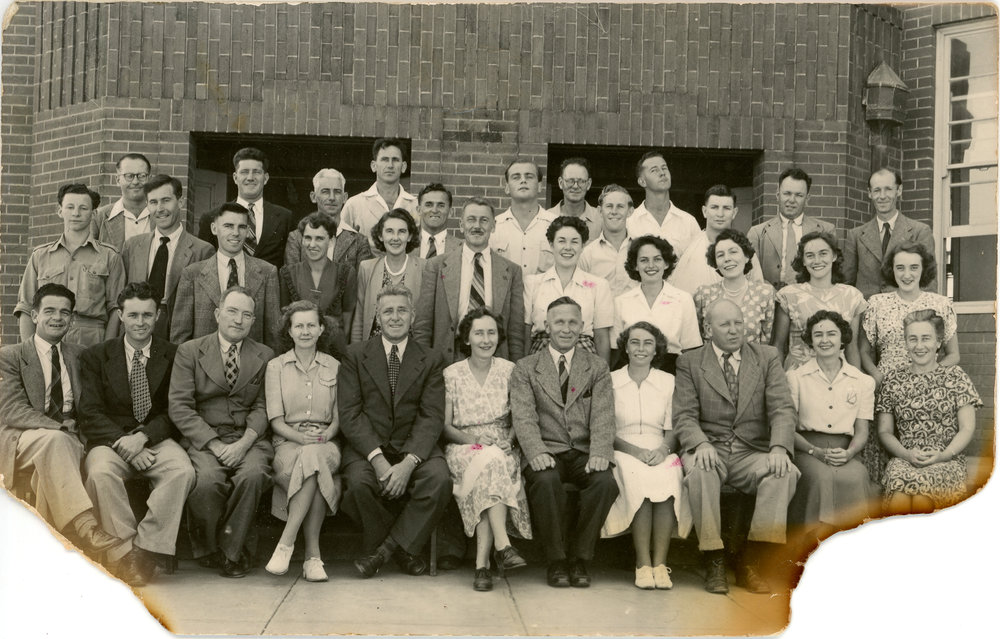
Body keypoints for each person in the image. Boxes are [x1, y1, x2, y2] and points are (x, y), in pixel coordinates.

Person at [673, 299, 798, 595]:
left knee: (784, 473)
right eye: (725, 324)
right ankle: (714, 557)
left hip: (751, 451)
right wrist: (700, 443)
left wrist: (779, 448)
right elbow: (684, 415)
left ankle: (749, 561)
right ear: (708, 329)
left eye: (738, 323)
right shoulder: (690, 361)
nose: (733, 330)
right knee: (701, 472)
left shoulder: (766, 357)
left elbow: (783, 409)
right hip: (710, 448)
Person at [0, 284, 129, 564]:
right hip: (24, 440)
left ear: (72, 319)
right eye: (49, 311)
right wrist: (58, 428)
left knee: (46, 472)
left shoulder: (81, 355)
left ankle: (52, 559)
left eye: (64, 312)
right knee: (56, 442)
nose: (57, 318)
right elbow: (10, 409)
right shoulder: (10, 356)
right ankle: (86, 526)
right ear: (34, 315)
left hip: (70, 442)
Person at [78, 282, 195, 587]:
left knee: (181, 470)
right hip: (110, 440)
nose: (140, 322)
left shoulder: (174, 354)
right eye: (133, 315)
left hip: (154, 438)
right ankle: (123, 550)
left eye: (147, 315)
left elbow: (176, 410)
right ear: (120, 315)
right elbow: (89, 412)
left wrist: (143, 437)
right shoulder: (95, 356)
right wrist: (125, 442)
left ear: (158, 316)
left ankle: (146, 550)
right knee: (100, 473)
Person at [338, 285, 453, 578]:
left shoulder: (430, 358)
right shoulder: (354, 355)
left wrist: (408, 463)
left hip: (413, 446)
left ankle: (384, 551)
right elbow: (350, 414)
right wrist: (378, 460)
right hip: (368, 447)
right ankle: (405, 548)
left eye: (402, 310)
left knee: (438, 480)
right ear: (377, 316)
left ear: (413, 315)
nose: (395, 317)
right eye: (388, 311)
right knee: (359, 484)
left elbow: (432, 416)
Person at [510, 297, 619, 589]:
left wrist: (599, 452)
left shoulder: (596, 367)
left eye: (573, 322)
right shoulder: (525, 367)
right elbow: (523, 417)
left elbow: (604, 415)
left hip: (583, 452)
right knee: (545, 481)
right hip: (546, 450)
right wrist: (535, 451)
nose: (566, 329)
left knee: (605, 482)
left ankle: (581, 558)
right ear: (547, 326)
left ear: (582, 327)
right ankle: (556, 560)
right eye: (559, 322)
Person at [168, 286, 275, 578]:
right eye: (232, 311)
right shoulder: (190, 351)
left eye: (246, 315)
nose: (238, 320)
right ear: (217, 314)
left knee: (252, 476)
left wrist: (245, 442)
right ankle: (209, 548)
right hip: (204, 438)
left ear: (253, 321)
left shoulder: (264, 355)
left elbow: (265, 405)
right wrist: (214, 445)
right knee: (206, 482)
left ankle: (232, 552)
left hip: (248, 438)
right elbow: (180, 407)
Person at [442, 308, 532, 592]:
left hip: (502, 447)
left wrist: (511, 439)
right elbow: (446, 427)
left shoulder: (510, 370)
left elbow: (520, 417)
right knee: (489, 463)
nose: (485, 339)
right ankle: (503, 545)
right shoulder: (451, 374)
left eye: (491, 332)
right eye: (478, 333)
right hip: (464, 447)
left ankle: (482, 567)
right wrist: (473, 439)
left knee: (491, 469)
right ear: (466, 339)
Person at [859, 243, 960, 485]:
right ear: (891, 270)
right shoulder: (877, 303)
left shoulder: (941, 304)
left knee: (922, 463)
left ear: (923, 270)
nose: (907, 274)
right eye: (900, 267)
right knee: (883, 461)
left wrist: (929, 382)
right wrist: (878, 378)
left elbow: (953, 354)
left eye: (914, 267)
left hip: (926, 392)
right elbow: (864, 351)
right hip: (886, 389)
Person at [601, 322, 691, 591]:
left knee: (668, 475)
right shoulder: (611, 380)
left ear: (657, 349)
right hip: (622, 448)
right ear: (626, 348)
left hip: (660, 446)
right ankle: (642, 564)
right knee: (637, 477)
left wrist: (663, 450)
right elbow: (605, 428)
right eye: (635, 342)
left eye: (647, 343)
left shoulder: (668, 381)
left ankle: (660, 565)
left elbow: (673, 428)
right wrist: (635, 452)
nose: (641, 348)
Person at [263, 301, 342, 583]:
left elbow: (337, 419)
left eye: (311, 325)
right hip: (287, 443)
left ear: (321, 329)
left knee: (314, 455)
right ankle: (313, 557)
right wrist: (301, 437)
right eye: (299, 326)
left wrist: (324, 435)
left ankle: (286, 542)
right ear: (290, 330)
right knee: (313, 462)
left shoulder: (334, 366)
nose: (305, 331)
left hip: (325, 442)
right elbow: (276, 421)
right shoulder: (276, 367)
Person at [877, 310, 981, 514]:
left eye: (926, 338)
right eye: (912, 339)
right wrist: (905, 454)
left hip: (947, 459)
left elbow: (967, 428)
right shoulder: (893, 380)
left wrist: (944, 455)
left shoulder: (955, 376)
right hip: (905, 458)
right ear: (905, 343)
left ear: (938, 342)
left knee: (922, 499)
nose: (919, 346)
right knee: (898, 495)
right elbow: (884, 431)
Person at [786, 310, 875, 546]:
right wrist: (815, 451)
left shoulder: (862, 381)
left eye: (831, 334)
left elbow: (862, 431)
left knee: (857, 475)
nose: (825, 340)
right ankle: (810, 548)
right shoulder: (795, 377)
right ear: (810, 340)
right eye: (818, 335)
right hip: (806, 449)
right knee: (820, 477)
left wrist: (849, 453)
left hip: (843, 451)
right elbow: (788, 428)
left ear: (843, 338)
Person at [414, 197, 525, 363]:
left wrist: (516, 370)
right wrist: (423, 366)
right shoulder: (436, 266)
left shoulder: (512, 271)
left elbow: (515, 332)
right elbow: (423, 326)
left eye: (484, 220)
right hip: (448, 358)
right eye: (471, 220)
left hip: (495, 361)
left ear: (493, 225)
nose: (477, 226)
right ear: (461, 224)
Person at [17, 183, 126, 346]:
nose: (76, 213)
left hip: (91, 340)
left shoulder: (110, 256)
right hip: (47, 336)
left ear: (94, 213)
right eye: (70, 207)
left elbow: (115, 309)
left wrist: (106, 350)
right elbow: (26, 308)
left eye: (83, 208)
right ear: (60, 211)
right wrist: (31, 350)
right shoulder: (40, 256)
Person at [171, 202, 281, 351]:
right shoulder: (192, 274)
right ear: (214, 229)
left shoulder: (267, 272)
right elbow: (180, 337)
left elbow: (273, 334)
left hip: (250, 367)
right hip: (204, 366)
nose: (235, 233)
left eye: (241, 227)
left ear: (248, 231)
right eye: (228, 226)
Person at [120, 174, 214, 339]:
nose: (160, 208)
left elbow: (203, 308)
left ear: (180, 202)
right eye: (153, 202)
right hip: (138, 330)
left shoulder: (202, 250)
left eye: (166, 200)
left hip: (178, 335)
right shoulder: (132, 246)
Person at [523, 216, 613, 362]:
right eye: (561, 241)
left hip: (584, 356)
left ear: (583, 245)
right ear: (551, 244)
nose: (568, 247)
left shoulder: (598, 285)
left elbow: (602, 338)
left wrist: (603, 377)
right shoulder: (532, 283)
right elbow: (525, 333)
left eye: (575, 242)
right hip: (541, 354)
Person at [773, 231, 866, 370]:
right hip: (798, 374)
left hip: (837, 375)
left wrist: (856, 384)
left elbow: (852, 349)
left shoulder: (852, 296)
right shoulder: (789, 295)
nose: (817, 261)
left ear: (834, 256)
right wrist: (776, 384)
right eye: (810, 255)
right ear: (803, 260)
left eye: (823, 253)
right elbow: (778, 346)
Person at [613, 235, 702, 373]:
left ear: (666, 263)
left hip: (673, 371)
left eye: (657, 259)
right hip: (632, 372)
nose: (651, 265)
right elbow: (617, 350)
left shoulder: (683, 299)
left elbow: (691, 349)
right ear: (635, 265)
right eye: (644, 260)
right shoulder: (621, 302)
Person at [843, 168, 936, 298]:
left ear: (899, 190)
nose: (882, 196)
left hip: (906, 312)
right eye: (877, 190)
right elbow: (847, 285)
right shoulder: (856, 236)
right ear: (869, 193)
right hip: (867, 312)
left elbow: (928, 283)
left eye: (888, 189)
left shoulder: (920, 231)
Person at [197, 147, 294, 269]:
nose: (250, 177)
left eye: (256, 172)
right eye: (244, 172)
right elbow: (205, 267)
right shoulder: (211, 217)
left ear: (266, 178)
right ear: (235, 177)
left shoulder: (284, 217)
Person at [278, 212, 356, 358]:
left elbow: (347, 317)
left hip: (335, 352)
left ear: (331, 241)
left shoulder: (345, 273)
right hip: (298, 352)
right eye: (308, 238)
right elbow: (285, 319)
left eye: (319, 238)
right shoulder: (288, 273)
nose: (312, 244)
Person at [746, 167, 836, 290]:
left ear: (807, 198)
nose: (792, 200)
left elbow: (833, 273)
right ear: (778, 195)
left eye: (799, 195)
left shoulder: (825, 230)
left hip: (812, 298)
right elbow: (750, 274)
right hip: (770, 299)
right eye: (787, 193)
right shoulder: (757, 233)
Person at [670, 184, 764, 295]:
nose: (720, 214)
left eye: (726, 208)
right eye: (714, 207)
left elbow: (758, 289)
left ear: (734, 212)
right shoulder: (687, 246)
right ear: (704, 211)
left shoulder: (744, 249)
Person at [351, 209, 424, 342]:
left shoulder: (425, 268)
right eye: (389, 231)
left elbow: (427, 321)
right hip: (373, 350)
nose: (395, 238)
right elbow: (359, 318)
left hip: (411, 351)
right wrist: (357, 354)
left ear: (409, 236)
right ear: (380, 235)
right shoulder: (366, 268)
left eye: (401, 231)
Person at [693, 229, 776, 344]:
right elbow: (696, 339)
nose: (727, 259)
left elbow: (766, 340)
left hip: (752, 361)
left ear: (746, 257)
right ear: (716, 263)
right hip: (711, 361)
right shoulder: (703, 294)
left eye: (733, 252)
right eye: (720, 255)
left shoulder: (764, 293)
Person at [283, 168, 373, 272]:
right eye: (325, 192)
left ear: (345, 197)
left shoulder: (359, 241)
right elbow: (290, 279)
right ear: (313, 197)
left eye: (337, 192)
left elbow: (361, 283)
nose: (332, 197)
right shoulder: (297, 238)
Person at [341, 138, 420, 243]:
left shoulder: (416, 206)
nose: (390, 165)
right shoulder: (355, 205)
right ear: (374, 166)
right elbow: (342, 248)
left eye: (395, 160)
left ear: (403, 166)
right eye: (384, 159)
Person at [489, 158, 557, 279]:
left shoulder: (556, 225)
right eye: (516, 177)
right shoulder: (493, 227)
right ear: (507, 187)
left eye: (529, 176)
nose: (523, 180)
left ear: (540, 186)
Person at [625, 151, 701, 257]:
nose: (662, 173)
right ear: (642, 181)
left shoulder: (689, 222)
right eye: (654, 170)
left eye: (664, 168)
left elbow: (698, 264)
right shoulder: (629, 222)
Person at [578, 184, 637, 300]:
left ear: (630, 211)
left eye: (620, 206)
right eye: (609, 206)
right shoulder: (588, 254)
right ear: (600, 211)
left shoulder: (641, 250)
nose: (614, 211)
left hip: (634, 316)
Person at [93, 153, 152, 250]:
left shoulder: (161, 215)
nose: (135, 182)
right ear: (117, 180)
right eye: (129, 176)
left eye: (141, 176)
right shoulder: (99, 218)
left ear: (149, 179)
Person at [547, 157, 602, 243]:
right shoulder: (546, 219)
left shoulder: (601, 220)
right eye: (570, 180)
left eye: (581, 181)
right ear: (560, 183)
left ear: (589, 184)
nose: (575, 186)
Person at [417, 183, 462, 258]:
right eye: (428, 205)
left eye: (441, 205)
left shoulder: (461, 248)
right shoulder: (406, 245)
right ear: (419, 210)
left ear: (450, 212)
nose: (434, 210)